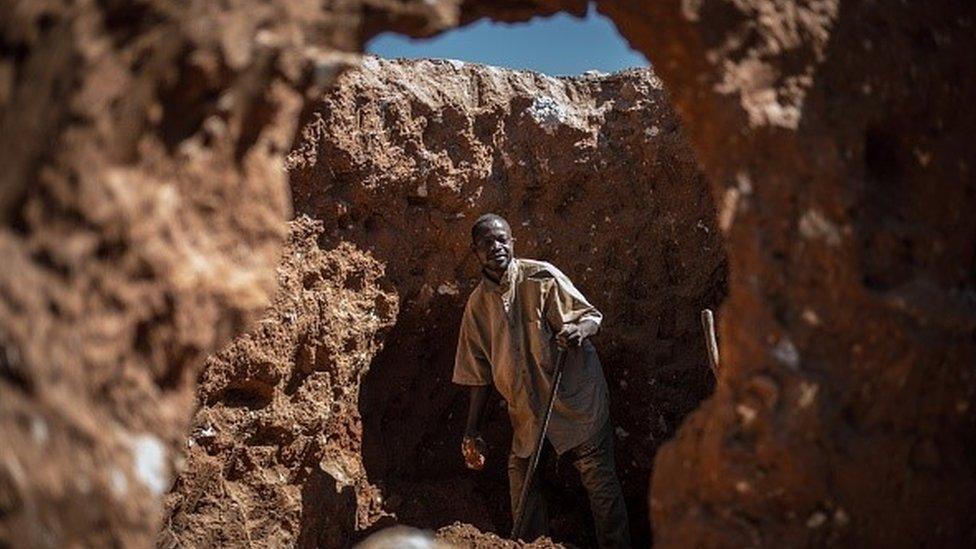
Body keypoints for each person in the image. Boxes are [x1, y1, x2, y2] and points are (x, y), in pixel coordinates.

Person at [452, 213, 631, 548]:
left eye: (502, 239)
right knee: (522, 481)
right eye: (487, 243)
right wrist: (471, 428)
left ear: (513, 241)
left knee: (600, 484)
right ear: (475, 251)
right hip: (529, 414)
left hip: (576, 403)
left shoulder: (541, 277)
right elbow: (478, 374)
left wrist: (578, 331)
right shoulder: (477, 306)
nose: (496, 247)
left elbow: (591, 317)